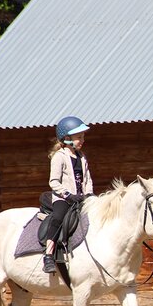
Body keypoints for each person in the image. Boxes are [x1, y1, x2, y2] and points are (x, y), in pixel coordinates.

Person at [43, 116, 94, 273]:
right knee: (58, 218)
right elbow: (54, 182)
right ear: (66, 138)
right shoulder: (59, 157)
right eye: (79, 137)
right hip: (63, 199)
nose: (82, 140)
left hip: (81, 199)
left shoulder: (82, 157)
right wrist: (68, 195)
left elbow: (88, 180)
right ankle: (48, 256)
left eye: (83, 136)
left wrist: (90, 195)